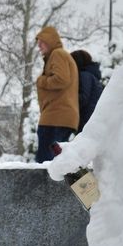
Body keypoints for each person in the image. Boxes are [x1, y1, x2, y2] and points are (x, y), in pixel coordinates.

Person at [35, 26, 79, 163]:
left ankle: (86, 185)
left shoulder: (57, 54)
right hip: (59, 117)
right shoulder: (59, 55)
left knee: (46, 163)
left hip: (55, 118)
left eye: (42, 42)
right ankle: (87, 185)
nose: (39, 46)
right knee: (62, 161)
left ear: (51, 40)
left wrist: (41, 81)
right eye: (38, 43)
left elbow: (61, 79)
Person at [70, 50, 103, 132]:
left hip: (86, 119)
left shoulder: (84, 75)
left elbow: (83, 97)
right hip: (94, 118)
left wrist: (67, 100)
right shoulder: (93, 76)